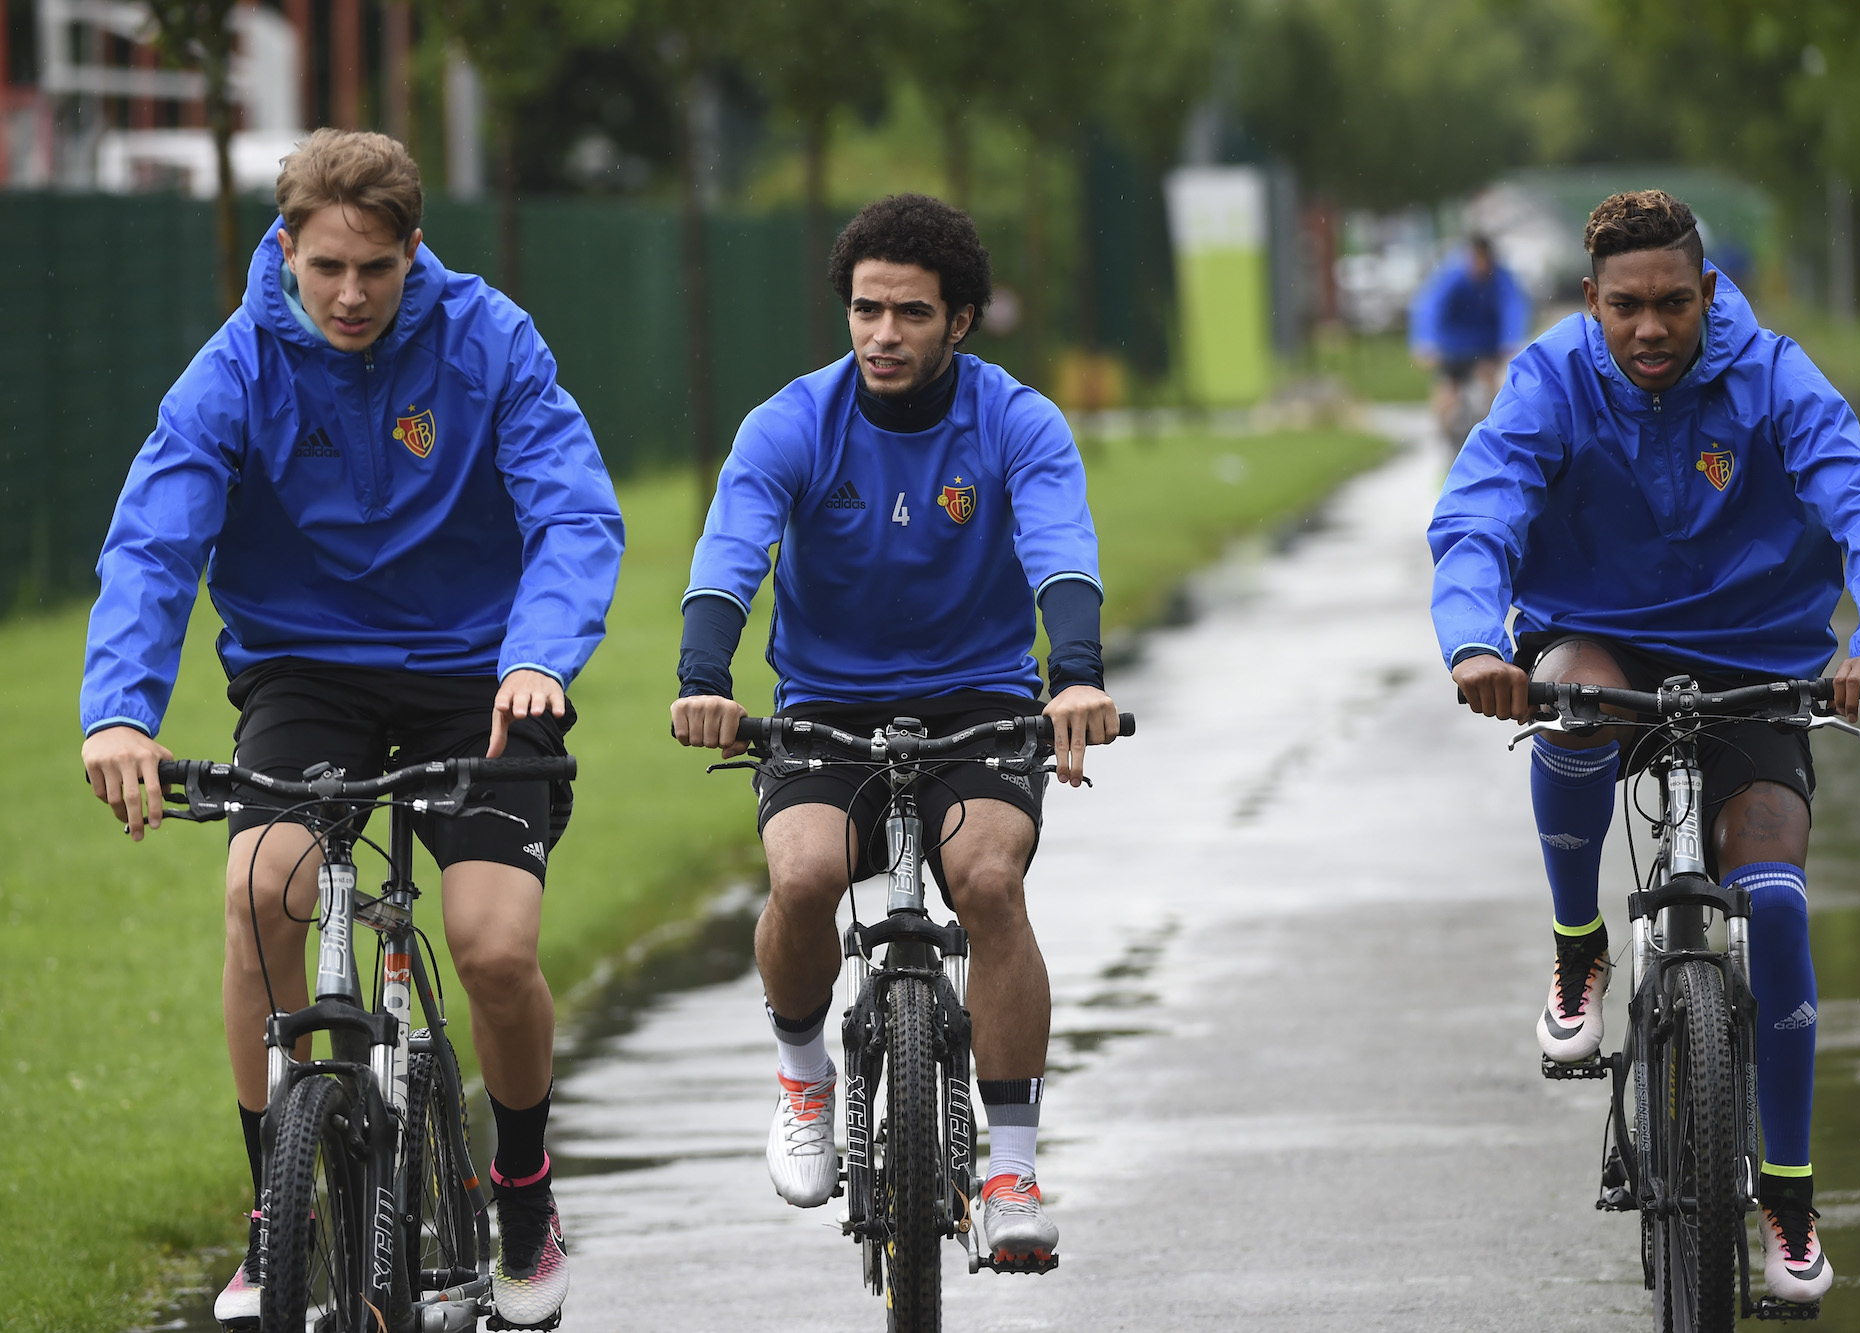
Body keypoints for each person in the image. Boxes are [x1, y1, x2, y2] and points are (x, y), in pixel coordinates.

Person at [78, 130, 623, 1331]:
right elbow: (156, 541)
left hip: (483, 673)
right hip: (305, 672)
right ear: (286, 248)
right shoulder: (236, 364)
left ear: (412, 249)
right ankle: (278, 1208)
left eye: (375, 267)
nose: (350, 294)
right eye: (326, 266)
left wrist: (538, 655)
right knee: (260, 888)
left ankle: (522, 1183)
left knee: (488, 945)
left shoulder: (487, 340)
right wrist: (119, 712)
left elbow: (573, 513)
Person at [1429, 189, 1860, 1307]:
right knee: (1564, 699)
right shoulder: (1550, 379)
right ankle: (1575, 945)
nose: (1647, 330)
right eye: (1621, 308)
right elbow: (1479, 512)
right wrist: (1471, 642)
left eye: (1668, 305)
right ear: (1590, 303)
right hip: (1598, 640)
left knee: (1779, 902)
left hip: (1758, 657)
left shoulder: (1770, 375)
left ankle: (1787, 1200)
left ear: (1705, 295)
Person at [670, 193, 1121, 1266]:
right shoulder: (791, 420)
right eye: (866, 309)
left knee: (991, 881)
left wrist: (1076, 679)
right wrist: (702, 677)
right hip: (826, 703)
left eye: (910, 313)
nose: (882, 334)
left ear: (960, 320)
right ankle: (801, 1072)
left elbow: (1060, 547)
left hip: (979, 698)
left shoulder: (1017, 420)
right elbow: (732, 548)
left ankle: (1008, 1164)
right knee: (802, 877)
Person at [1408, 234, 1532, 445]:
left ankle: (1494, 438)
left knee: (1491, 391)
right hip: (1452, 346)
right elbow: (1430, 307)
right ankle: (1445, 439)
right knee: (1447, 392)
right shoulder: (1453, 276)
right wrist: (1426, 342)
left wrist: (1510, 342)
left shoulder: (1500, 278)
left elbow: (1513, 308)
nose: (1479, 267)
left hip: (1485, 346)